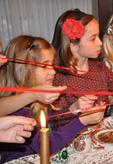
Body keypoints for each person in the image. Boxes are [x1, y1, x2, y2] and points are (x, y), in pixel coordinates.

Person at [0, 35, 104, 163]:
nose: (53, 71)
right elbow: (48, 144)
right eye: (44, 66)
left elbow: (54, 127)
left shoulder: (40, 100)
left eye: (52, 65)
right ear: (23, 70)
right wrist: (82, 121)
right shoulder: (18, 111)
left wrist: (75, 109)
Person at [52, 9, 113, 126]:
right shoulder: (58, 79)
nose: (100, 42)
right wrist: (74, 108)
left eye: (98, 36)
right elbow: (53, 121)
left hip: (102, 136)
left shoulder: (100, 68)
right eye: (93, 38)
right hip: (72, 140)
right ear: (74, 46)